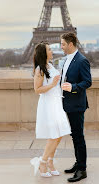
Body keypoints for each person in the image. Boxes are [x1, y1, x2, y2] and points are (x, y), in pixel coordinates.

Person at [30, 41, 71, 178]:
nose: (52, 51)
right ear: (44, 53)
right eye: (49, 49)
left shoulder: (50, 66)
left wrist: (60, 85)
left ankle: (50, 162)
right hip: (48, 105)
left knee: (58, 135)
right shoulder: (40, 70)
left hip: (56, 103)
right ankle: (42, 162)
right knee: (54, 135)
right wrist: (53, 84)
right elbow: (37, 90)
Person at [60, 32, 92, 182]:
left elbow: (87, 82)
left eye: (63, 44)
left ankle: (82, 169)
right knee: (74, 136)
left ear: (70, 44)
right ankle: (78, 163)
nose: (61, 47)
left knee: (78, 137)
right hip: (68, 103)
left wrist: (72, 87)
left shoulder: (81, 60)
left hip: (77, 105)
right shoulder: (67, 59)